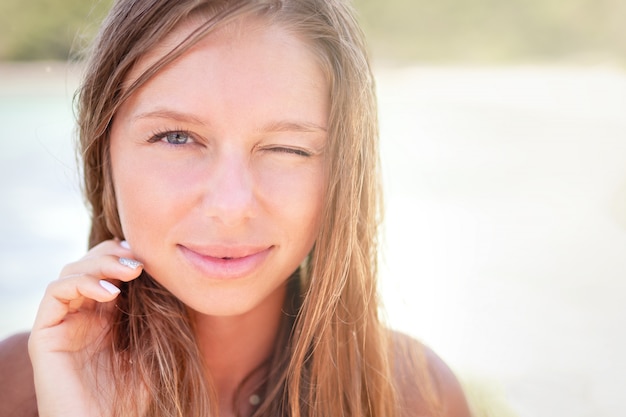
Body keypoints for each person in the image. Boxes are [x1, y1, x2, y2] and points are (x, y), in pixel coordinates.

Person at [0, 0, 471, 416]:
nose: (231, 206)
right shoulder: (20, 388)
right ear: (104, 152)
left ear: (343, 172)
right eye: (177, 137)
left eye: (286, 148)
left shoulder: (417, 396)